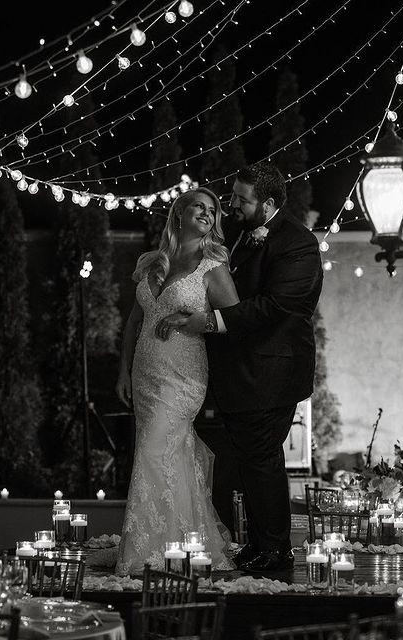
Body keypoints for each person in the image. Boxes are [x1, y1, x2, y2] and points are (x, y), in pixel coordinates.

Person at [156, 162, 323, 572]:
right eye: (232, 196)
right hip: (242, 374)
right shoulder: (242, 234)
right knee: (251, 459)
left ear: (267, 204)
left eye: (241, 200)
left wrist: (208, 322)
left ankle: (276, 550)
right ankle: (261, 544)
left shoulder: (297, 243)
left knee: (262, 458)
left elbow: (277, 307)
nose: (232, 206)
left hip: (271, 373)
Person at [114, 187, 239, 575]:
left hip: (183, 374)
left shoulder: (213, 264)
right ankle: (181, 543)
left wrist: (192, 322)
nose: (207, 213)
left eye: (212, 209)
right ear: (180, 214)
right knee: (167, 454)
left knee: (154, 450)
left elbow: (235, 320)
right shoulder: (154, 261)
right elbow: (136, 320)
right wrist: (123, 370)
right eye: (198, 207)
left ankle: (146, 550)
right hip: (145, 373)